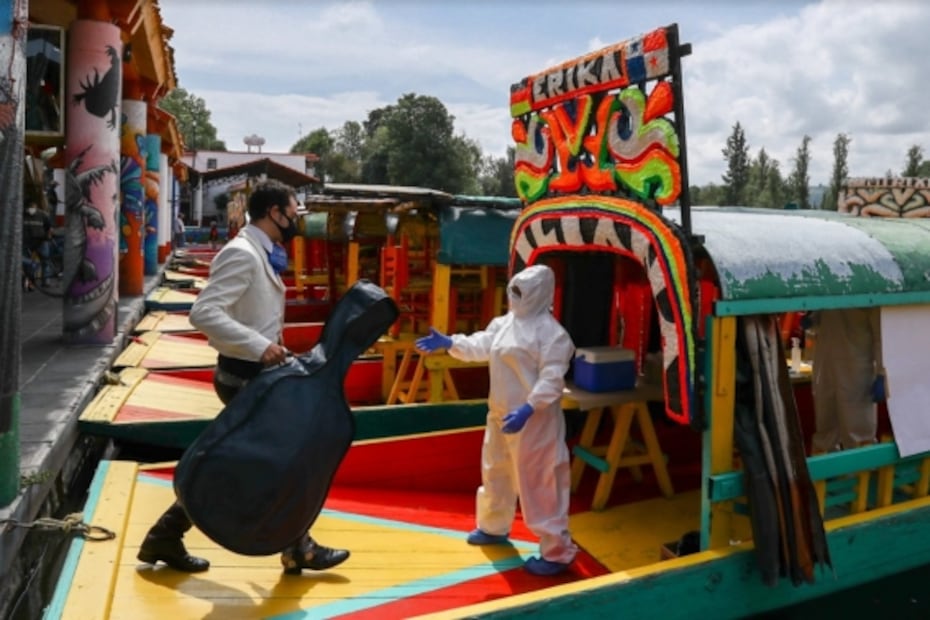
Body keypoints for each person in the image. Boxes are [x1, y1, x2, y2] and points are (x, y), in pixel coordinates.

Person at [137, 179, 349, 574]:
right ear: (274, 213)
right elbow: (204, 313)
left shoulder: (259, 251)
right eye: (292, 211)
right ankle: (298, 547)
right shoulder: (243, 253)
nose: (296, 219)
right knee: (283, 460)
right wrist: (260, 346)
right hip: (245, 376)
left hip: (258, 375)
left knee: (247, 463)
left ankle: (164, 537)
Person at [415, 264, 578, 576]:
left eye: (520, 292)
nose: (514, 297)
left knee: (541, 481)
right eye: (513, 290)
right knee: (495, 472)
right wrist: (451, 343)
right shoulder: (506, 323)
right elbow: (482, 344)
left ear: (538, 294)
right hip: (500, 413)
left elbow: (552, 379)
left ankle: (557, 551)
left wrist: (529, 408)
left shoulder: (553, 335)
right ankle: (492, 525)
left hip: (535, 422)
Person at [809, 307, 885, 453]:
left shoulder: (869, 292)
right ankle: (825, 472)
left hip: (857, 369)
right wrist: (812, 318)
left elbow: (880, 336)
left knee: (858, 432)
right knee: (825, 429)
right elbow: (818, 322)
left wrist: (882, 371)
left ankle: (861, 473)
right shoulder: (829, 287)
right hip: (826, 364)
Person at [22, 200, 53, 286]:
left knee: (45, 261)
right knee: (27, 263)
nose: (31, 209)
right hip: (27, 242)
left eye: (33, 207)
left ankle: (46, 281)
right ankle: (30, 281)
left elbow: (49, 227)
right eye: (30, 208)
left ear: (36, 207)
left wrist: (48, 236)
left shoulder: (43, 215)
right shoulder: (22, 214)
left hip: (41, 241)